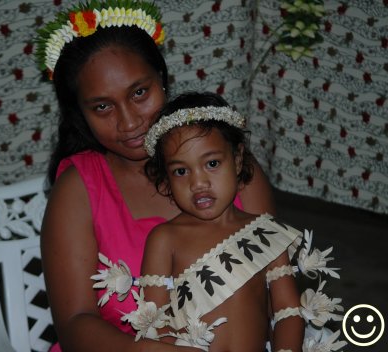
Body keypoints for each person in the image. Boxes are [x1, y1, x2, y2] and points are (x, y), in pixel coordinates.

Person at [37, 0, 275, 351]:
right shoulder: (78, 189)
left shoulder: (231, 170)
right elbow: (74, 324)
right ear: (80, 113)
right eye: (102, 106)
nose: (130, 122)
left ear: (162, 80)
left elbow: (271, 295)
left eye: (139, 93)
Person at [106, 92, 304, 351]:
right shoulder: (165, 239)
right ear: (165, 178)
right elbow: (153, 323)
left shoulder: (265, 231)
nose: (198, 183)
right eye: (181, 171)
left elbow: (288, 312)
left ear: (237, 160)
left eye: (211, 163)